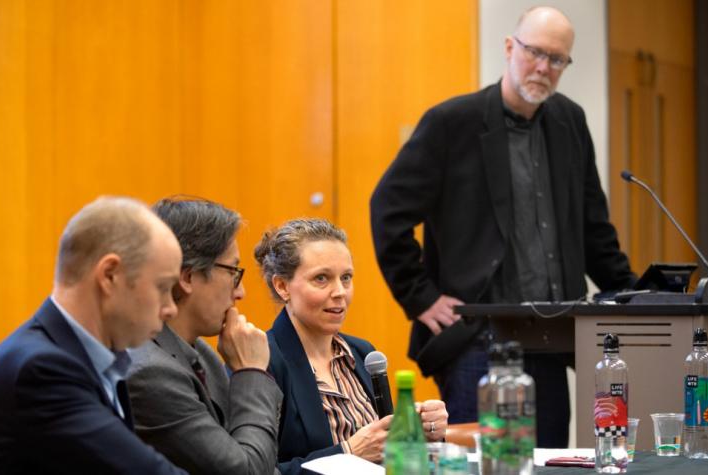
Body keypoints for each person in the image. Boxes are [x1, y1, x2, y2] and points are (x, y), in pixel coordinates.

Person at [370, 6, 636, 447]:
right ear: (510, 48)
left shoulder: (570, 121)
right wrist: (421, 297)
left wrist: (632, 295)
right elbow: (387, 209)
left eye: (557, 59)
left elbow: (593, 227)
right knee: (487, 463)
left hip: (552, 335)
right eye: (535, 53)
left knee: (549, 459)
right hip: (479, 336)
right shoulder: (452, 123)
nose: (543, 67)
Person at [0, 196, 187, 474]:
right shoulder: (39, 370)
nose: (170, 308)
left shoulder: (92, 360)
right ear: (110, 275)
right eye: (162, 287)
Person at [255, 218, 449, 475]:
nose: (340, 292)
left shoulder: (363, 353)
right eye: (321, 279)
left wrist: (417, 430)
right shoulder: (261, 362)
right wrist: (348, 453)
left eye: (346, 278)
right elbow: (256, 471)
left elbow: (386, 451)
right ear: (282, 286)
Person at [126, 197, 283, 475]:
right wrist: (252, 372)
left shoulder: (202, 354)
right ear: (187, 278)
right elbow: (246, 471)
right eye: (233, 272)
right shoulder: (150, 372)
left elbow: (263, 459)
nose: (240, 292)